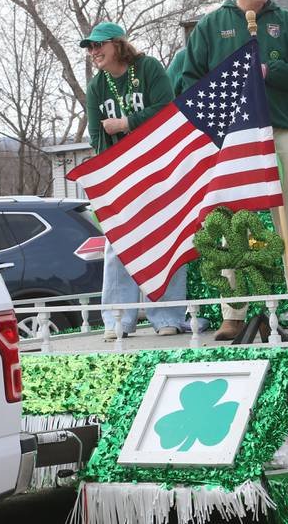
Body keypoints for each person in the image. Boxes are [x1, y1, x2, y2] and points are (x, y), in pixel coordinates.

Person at [181, 0, 288, 338]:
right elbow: (187, 81)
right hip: (233, 140)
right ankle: (233, 313)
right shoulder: (212, 25)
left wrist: (269, 71)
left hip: (280, 130)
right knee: (231, 227)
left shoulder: (287, 22)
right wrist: (223, 89)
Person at [81, 22, 187, 338]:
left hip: (159, 167)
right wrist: (106, 175)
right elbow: (97, 136)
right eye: (89, 47)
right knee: (119, 244)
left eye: (99, 45)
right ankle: (117, 320)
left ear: (117, 44)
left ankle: (167, 317)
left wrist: (127, 122)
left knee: (167, 239)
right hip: (121, 175)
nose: (94, 51)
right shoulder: (96, 87)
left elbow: (168, 109)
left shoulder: (148, 68)